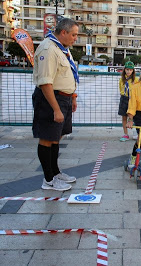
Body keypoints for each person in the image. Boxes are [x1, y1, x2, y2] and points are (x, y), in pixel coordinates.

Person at [32, 18, 79, 191]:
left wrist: (72, 97)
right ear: (64, 32)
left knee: (56, 136)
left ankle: (55, 172)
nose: (75, 38)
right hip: (51, 99)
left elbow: (69, 74)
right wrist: (56, 109)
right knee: (46, 138)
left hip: (64, 98)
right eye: (73, 34)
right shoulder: (48, 49)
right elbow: (45, 82)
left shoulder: (63, 49)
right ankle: (48, 180)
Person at [118, 61, 137, 142]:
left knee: (134, 116)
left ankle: (136, 133)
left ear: (133, 71)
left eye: (130, 70)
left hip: (132, 99)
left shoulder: (135, 80)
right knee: (124, 116)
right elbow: (121, 89)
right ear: (124, 70)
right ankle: (126, 134)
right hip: (124, 98)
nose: (128, 71)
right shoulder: (122, 80)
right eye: (127, 69)